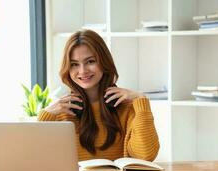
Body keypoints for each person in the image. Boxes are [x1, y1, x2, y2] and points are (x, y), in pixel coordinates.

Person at [38, 29, 159, 161]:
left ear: (103, 61)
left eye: (90, 61)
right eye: (74, 64)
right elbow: (38, 161)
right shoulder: (61, 112)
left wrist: (142, 100)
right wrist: (46, 115)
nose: (83, 71)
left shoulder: (127, 107)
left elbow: (145, 156)